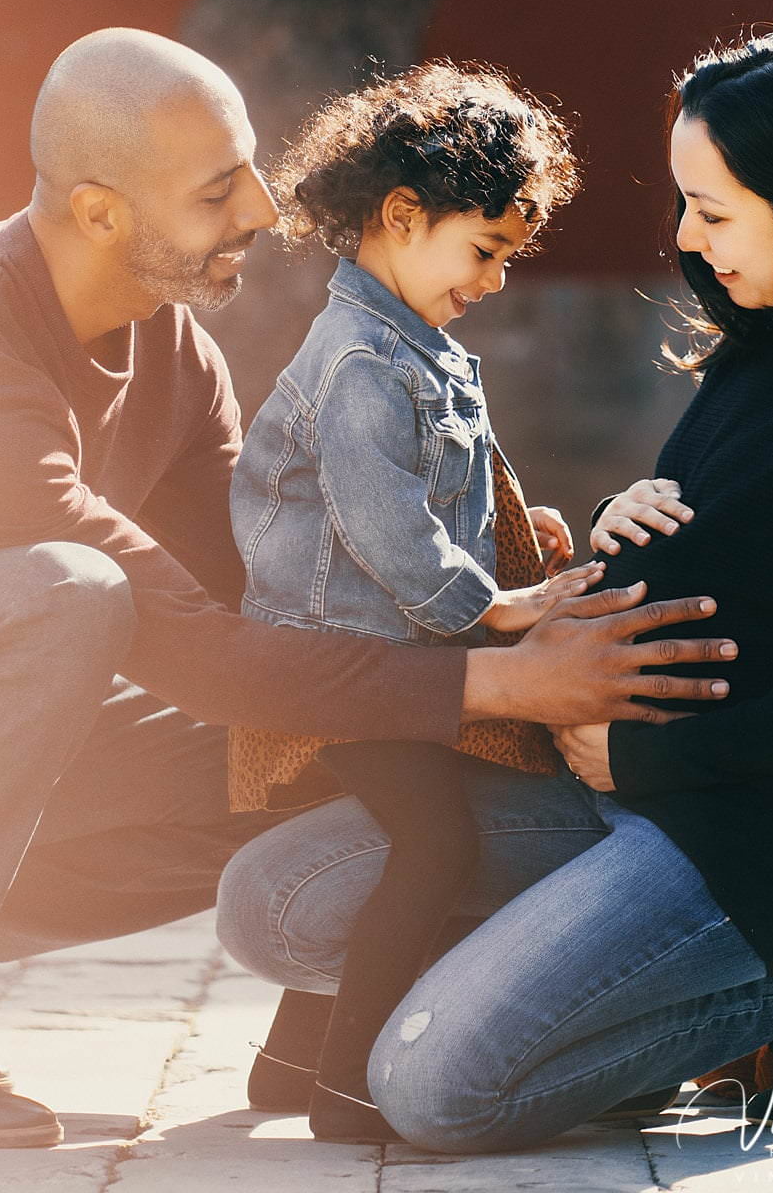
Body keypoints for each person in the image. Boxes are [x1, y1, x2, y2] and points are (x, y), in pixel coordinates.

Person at [0, 27, 737, 1150]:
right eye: (215, 189)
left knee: (292, 729)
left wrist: (490, 579)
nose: (261, 206)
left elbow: (275, 598)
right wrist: (502, 682)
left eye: (246, 165)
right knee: (67, 593)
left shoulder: (168, 349)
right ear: (100, 211)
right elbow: (186, 642)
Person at [216, 27, 773, 1151]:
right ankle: (596, 990)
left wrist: (650, 754)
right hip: (622, 800)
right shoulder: (761, 343)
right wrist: (610, 525)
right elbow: (731, 537)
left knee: (431, 1087)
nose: (684, 236)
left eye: (713, 210)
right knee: (268, 905)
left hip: (765, 838)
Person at [226, 62, 626, 1140]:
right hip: (338, 666)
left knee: (434, 813)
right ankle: (351, 1091)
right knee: (437, 841)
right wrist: (496, 608)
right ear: (403, 215)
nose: (495, 278)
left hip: (380, 651)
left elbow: (440, 486)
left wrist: (516, 527)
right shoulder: (360, 358)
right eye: (484, 248)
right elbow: (388, 529)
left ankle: (288, 1057)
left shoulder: (414, 343)